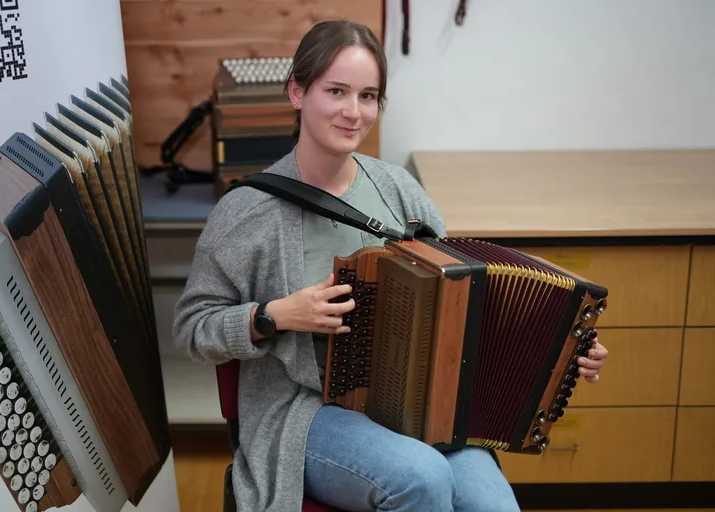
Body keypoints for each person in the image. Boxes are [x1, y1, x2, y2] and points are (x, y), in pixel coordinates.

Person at [173, 19, 609, 512]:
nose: (353, 112)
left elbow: (463, 301)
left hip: (418, 404)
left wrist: (563, 346)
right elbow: (192, 328)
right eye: (336, 91)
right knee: (420, 479)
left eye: (368, 96)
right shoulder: (246, 212)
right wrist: (275, 315)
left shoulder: (399, 189)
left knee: (495, 507)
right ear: (297, 91)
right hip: (306, 410)